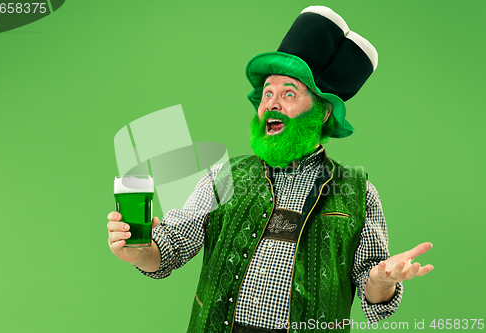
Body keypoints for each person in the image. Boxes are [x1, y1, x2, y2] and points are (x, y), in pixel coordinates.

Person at [107, 6, 433, 333]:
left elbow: (372, 290)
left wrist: (380, 280)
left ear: (321, 113)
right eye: (267, 93)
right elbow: (173, 246)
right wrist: (139, 250)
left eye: (288, 93)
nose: (271, 104)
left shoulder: (358, 192)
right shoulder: (224, 177)